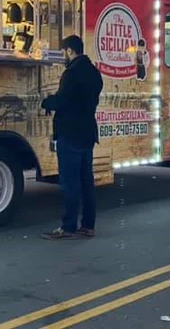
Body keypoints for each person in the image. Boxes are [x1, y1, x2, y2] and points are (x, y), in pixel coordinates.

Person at [40, 35, 104, 240]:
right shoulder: (94, 73)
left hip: (70, 133)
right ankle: (88, 225)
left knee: (70, 182)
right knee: (86, 181)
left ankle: (68, 226)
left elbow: (63, 101)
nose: (63, 57)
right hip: (87, 133)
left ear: (69, 51)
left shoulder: (71, 73)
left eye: (63, 53)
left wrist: (46, 102)